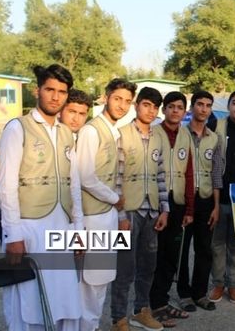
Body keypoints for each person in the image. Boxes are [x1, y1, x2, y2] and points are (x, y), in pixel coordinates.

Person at [0, 64, 83, 330]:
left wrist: (78, 229)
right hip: (29, 227)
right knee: (27, 301)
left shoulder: (67, 133)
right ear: (38, 90)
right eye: (50, 90)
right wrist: (13, 235)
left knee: (62, 299)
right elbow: (7, 184)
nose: (55, 97)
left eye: (61, 92)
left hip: (62, 226)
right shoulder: (18, 128)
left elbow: (74, 184)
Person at [77, 78, 136, 331]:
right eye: (117, 98)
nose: (122, 105)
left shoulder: (112, 130)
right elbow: (85, 175)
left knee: (100, 283)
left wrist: (118, 212)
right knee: (90, 284)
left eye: (127, 101)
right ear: (105, 97)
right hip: (93, 219)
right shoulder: (92, 130)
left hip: (108, 217)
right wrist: (115, 199)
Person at [110, 86, 169, 331]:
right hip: (129, 213)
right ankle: (118, 319)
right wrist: (120, 215)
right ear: (137, 105)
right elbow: (115, 178)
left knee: (148, 266)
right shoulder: (121, 134)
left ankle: (141, 311)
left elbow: (161, 175)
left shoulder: (158, 136)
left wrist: (164, 209)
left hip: (151, 212)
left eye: (155, 107)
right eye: (146, 105)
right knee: (124, 269)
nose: (151, 110)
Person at [149, 91, 195, 327]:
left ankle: (162, 301)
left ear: (185, 112)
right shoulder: (153, 132)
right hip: (155, 203)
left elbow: (189, 172)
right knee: (153, 255)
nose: (175, 111)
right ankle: (150, 305)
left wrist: (189, 207)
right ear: (164, 110)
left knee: (170, 256)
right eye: (171, 107)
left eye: (180, 107)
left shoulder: (185, 135)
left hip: (177, 203)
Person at [177, 90, 223, 312]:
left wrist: (216, 206)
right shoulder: (179, 134)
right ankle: (184, 294)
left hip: (205, 201)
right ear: (192, 107)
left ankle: (200, 294)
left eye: (208, 105)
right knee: (183, 249)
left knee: (205, 249)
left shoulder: (214, 138)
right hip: (184, 201)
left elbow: (216, 175)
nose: (203, 109)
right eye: (199, 104)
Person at [209, 91, 235, 304]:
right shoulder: (216, 128)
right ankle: (218, 283)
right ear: (229, 106)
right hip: (219, 196)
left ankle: (234, 284)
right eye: (234, 103)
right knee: (217, 244)